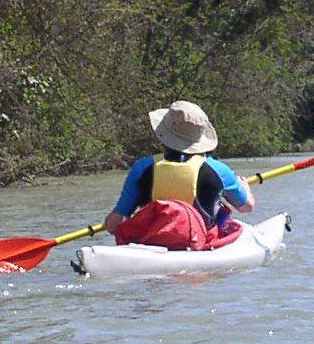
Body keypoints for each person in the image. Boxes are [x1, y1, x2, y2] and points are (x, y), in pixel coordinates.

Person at [103, 100, 254, 251]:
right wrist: (245, 188)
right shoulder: (219, 170)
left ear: (163, 135)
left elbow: (114, 224)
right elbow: (246, 207)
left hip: (150, 245)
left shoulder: (142, 167)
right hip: (202, 245)